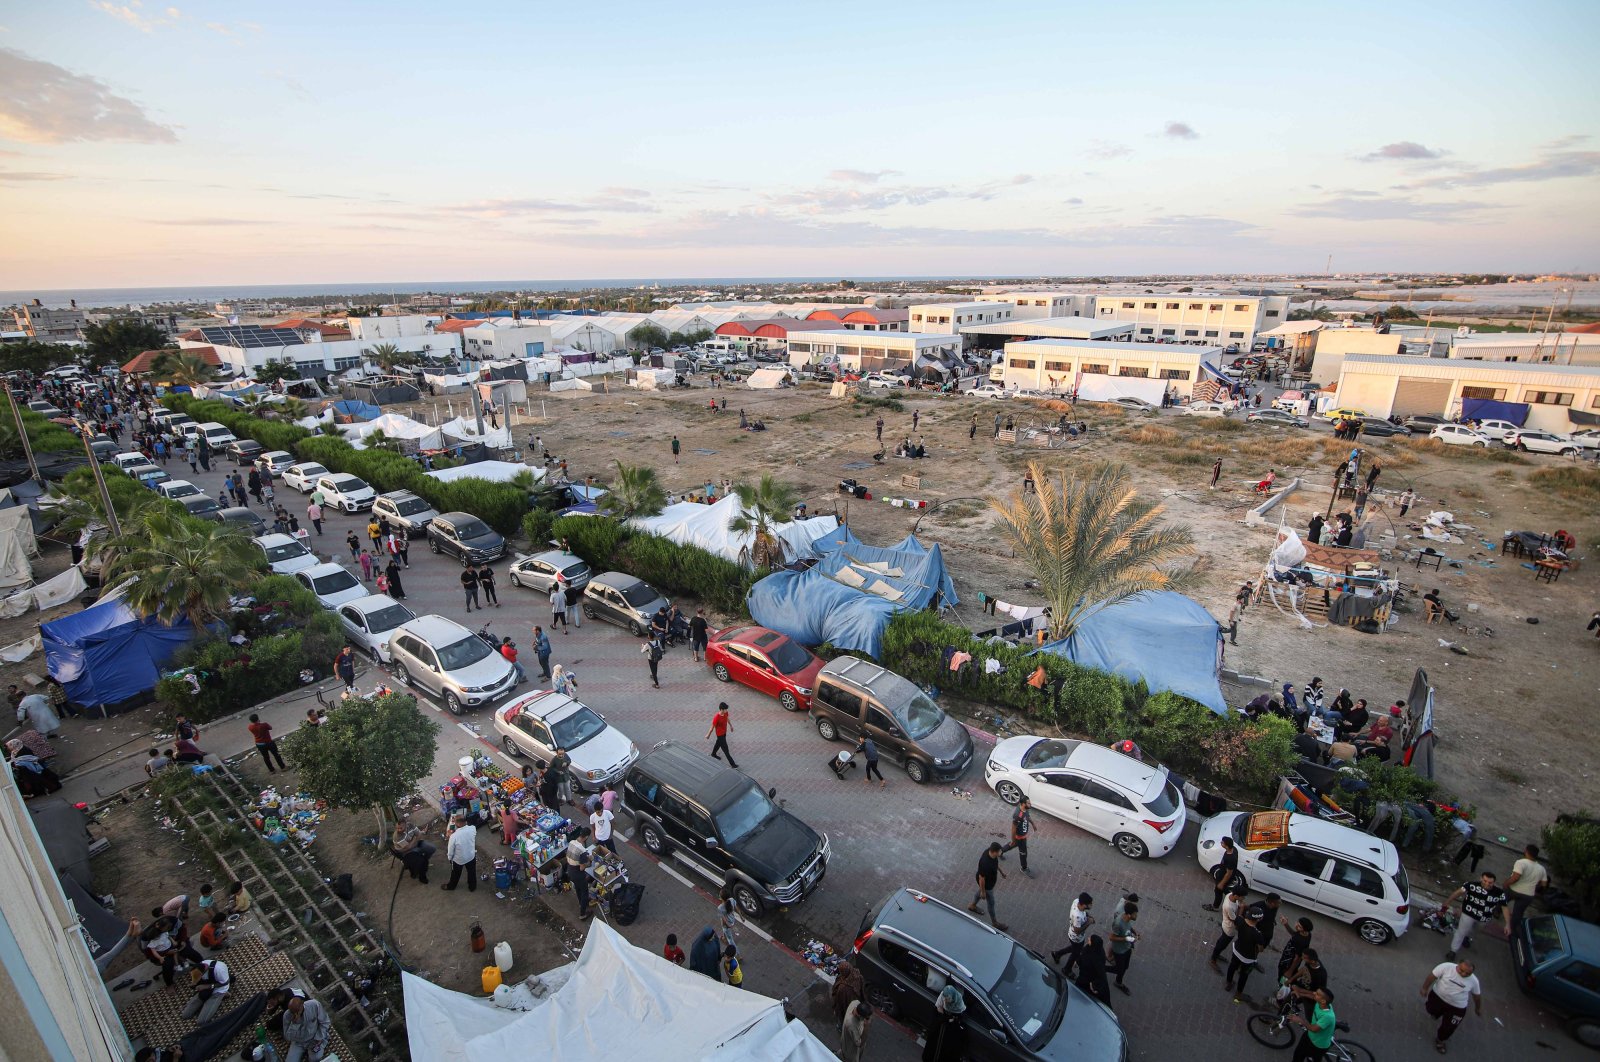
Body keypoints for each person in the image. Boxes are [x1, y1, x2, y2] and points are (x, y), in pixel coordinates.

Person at [1445, 871, 1510, 959]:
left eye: (1490, 882)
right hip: (1468, 913)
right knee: (1461, 932)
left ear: (1494, 882)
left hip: (1484, 918)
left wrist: (1507, 924)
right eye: (1485, 881)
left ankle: (1467, 937)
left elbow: (1504, 907)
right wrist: (1447, 902)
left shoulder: (1499, 893)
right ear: (1480, 879)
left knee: (1475, 931)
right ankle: (1453, 951)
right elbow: (1458, 892)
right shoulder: (1471, 885)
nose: (1487, 884)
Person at [1421, 959, 1482, 1053]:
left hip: (1457, 1007)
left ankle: (1440, 1040)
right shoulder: (1446, 967)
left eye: (1467, 973)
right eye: (1461, 970)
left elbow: (1477, 996)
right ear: (1457, 964)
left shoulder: (1474, 981)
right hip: (1438, 997)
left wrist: (1477, 1008)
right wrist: (1425, 988)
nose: (1463, 974)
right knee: (1431, 1009)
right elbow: (1432, 976)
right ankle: (1436, 1013)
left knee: (1449, 1027)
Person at [1225, 904, 1265, 1004]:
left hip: (1237, 950)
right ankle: (1238, 994)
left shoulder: (1240, 921)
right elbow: (1260, 949)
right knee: (1244, 975)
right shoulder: (1257, 934)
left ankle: (1229, 983)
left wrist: (1242, 908)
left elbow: (1237, 918)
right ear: (1258, 919)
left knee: (1232, 966)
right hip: (1248, 958)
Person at [1506, 843, 1548, 931]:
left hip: (1514, 889)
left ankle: (1497, 912)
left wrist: (1506, 883)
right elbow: (1544, 884)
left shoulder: (1521, 862)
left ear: (1526, 852)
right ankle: (1511, 929)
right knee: (1518, 913)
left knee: (1502, 900)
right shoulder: (1542, 869)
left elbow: (1515, 877)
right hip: (1528, 895)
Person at [967, 842, 1008, 930]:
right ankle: (995, 923)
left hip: (989, 882)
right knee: (991, 903)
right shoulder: (985, 864)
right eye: (999, 851)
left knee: (981, 893)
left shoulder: (990, 853)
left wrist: (1001, 872)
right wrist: (983, 891)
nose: (1001, 852)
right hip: (987, 884)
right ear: (994, 852)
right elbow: (981, 878)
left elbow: (995, 864)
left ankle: (972, 906)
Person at [180, 955, 232, 1024]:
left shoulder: (219, 969)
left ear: (205, 970)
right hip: (206, 988)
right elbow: (196, 980)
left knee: (201, 1021)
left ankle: (224, 994)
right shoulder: (200, 966)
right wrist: (194, 985)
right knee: (185, 1015)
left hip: (219, 989)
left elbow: (226, 982)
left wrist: (206, 987)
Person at [1289, 986, 1336, 1062]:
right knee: (1298, 1055)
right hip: (1309, 1036)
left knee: (1308, 1057)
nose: (1314, 993)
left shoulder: (1327, 1016)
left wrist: (1300, 1020)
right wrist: (1301, 994)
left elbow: (1314, 1029)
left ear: (1323, 1001)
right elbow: (1313, 996)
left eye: (1317, 994)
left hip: (1317, 1045)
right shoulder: (1322, 1003)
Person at [1051, 892, 1094, 972]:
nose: (1091, 905)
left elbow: (1084, 913)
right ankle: (1067, 969)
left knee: (1075, 949)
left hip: (1072, 935)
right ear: (1084, 905)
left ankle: (1057, 954)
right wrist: (1088, 922)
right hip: (1077, 937)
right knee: (1075, 954)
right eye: (1089, 904)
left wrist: (1087, 916)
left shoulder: (1076, 901)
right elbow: (1077, 931)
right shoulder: (1078, 916)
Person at [282, 995, 332, 1062]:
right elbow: (288, 1037)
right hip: (298, 1042)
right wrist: (295, 1025)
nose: (296, 1014)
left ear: (302, 1004)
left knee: (315, 1058)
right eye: (293, 1012)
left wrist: (319, 1037)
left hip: (314, 1038)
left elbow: (325, 1022)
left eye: (297, 1011)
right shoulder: (287, 1015)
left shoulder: (314, 1005)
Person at [1209, 883, 1245, 967]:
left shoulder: (1230, 895)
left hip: (1226, 924)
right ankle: (1213, 959)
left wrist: (1240, 905)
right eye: (1242, 897)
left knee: (1221, 941)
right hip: (1229, 928)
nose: (1243, 899)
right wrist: (1242, 909)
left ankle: (1216, 955)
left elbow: (1238, 905)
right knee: (1222, 944)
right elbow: (1235, 920)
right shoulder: (1229, 907)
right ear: (1236, 895)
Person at [442, 810, 478, 892]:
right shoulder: (472, 828)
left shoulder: (454, 837)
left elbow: (450, 850)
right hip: (471, 856)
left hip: (459, 859)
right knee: (472, 872)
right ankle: (472, 887)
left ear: (456, 823)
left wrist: (449, 858)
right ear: (465, 821)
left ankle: (451, 886)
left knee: (455, 874)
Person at [1073, 934, 1112, 1007]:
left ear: (1093, 943)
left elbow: (1102, 975)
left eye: (1090, 939)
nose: (1088, 939)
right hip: (1083, 974)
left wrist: (1093, 984)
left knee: (1079, 990)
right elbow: (1083, 954)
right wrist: (1077, 961)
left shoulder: (1097, 960)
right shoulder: (1091, 948)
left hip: (1087, 979)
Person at [392, 817, 435, 884]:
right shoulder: (397, 836)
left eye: (401, 828)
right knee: (421, 861)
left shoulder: (410, 825)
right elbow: (409, 847)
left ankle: (424, 862)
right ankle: (422, 877)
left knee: (432, 848)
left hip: (415, 845)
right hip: (406, 852)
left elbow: (419, 835)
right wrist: (415, 839)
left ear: (406, 825)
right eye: (397, 828)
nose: (398, 830)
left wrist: (414, 840)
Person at [1107, 902, 1138, 994]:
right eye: (1135, 914)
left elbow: (1129, 927)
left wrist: (1135, 933)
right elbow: (1111, 937)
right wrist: (1125, 938)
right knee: (1118, 969)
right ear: (1129, 915)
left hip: (1127, 948)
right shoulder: (1118, 923)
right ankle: (1101, 968)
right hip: (1119, 951)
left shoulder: (1127, 918)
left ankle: (1118, 982)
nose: (1136, 916)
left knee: (1125, 967)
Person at [564, 825, 593, 918]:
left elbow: (573, 855)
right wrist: (590, 862)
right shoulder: (582, 850)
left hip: (570, 870)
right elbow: (582, 868)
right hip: (577, 873)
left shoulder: (572, 842)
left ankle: (581, 903)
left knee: (577, 888)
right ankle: (582, 914)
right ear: (587, 837)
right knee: (585, 892)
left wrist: (584, 857)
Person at [1205, 835, 1240, 909]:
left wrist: (1221, 883)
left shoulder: (1230, 858)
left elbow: (1229, 873)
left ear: (1227, 846)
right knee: (1224, 889)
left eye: (1223, 843)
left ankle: (1215, 906)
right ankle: (1236, 899)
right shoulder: (1234, 849)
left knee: (1218, 890)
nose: (1221, 843)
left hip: (1224, 877)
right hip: (1223, 873)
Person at [1000, 796, 1033, 874]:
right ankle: (1024, 868)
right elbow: (1013, 829)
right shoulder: (1018, 815)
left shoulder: (1025, 809)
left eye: (1029, 802)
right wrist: (1013, 840)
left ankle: (1000, 851)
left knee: (1012, 845)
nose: (1030, 804)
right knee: (1023, 853)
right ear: (1023, 804)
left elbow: (1028, 816)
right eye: (1028, 803)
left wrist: (1033, 824)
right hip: (1020, 838)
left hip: (1022, 837)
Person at [831, 959, 864, 1025]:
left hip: (846, 1005)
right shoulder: (858, 975)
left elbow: (838, 999)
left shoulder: (842, 987)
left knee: (843, 1015)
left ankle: (841, 1025)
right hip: (856, 1003)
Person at [707, 702, 737, 767]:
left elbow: (727, 719)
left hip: (724, 733)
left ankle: (713, 754)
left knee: (718, 744)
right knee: (726, 749)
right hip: (720, 735)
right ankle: (733, 764)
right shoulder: (716, 717)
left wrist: (731, 726)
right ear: (721, 709)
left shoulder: (725, 713)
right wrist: (708, 735)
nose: (726, 711)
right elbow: (712, 727)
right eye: (725, 709)